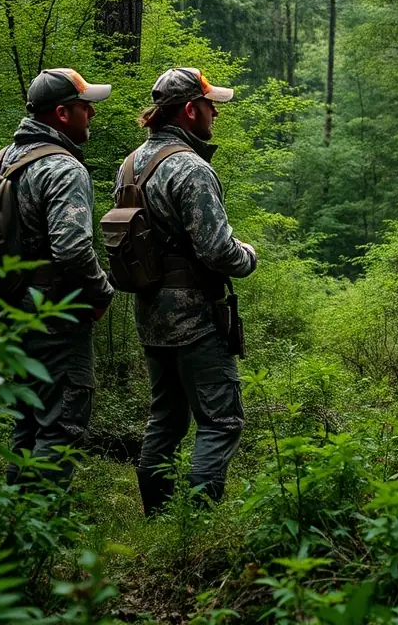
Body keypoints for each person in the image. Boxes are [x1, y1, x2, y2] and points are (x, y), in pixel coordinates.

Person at [119, 67, 257, 516]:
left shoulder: (130, 164)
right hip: (196, 316)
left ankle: (158, 519)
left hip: (150, 314)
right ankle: (197, 525)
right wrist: (248, 255)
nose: (216, 111)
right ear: (190, 109)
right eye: (210, 104)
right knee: (220, 421)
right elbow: (217, 250)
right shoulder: (190, 168)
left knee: (166, 418)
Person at [2, 68, 115, 483]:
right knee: (61, 426)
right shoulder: (63, 168)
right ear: (64, 113)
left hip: (8, 312)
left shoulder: (0, 160)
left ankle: (16, 527)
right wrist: (102, 293)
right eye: (87, 107)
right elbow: (72, 248)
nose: (92, 115)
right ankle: (39, 535)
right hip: (54, 316)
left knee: (26, 425)